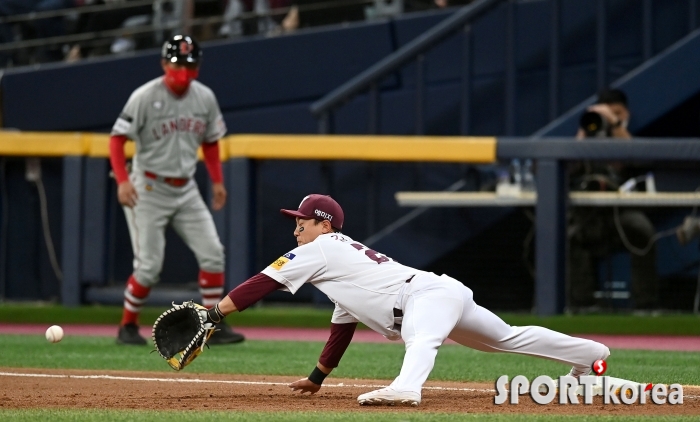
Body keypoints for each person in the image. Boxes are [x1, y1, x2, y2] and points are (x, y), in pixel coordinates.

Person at [200, 194, 610, 406]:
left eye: (301, 223)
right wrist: (317, 377)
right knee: (507, 337)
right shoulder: (341, 265)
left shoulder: (319, 249)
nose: (296, 231)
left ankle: (405, 388)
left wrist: (215, 312)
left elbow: (262, 282)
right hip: (438, 292)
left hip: (424, 297)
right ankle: (590, 354)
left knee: (422, 338)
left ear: (322, 225)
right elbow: (342, 325)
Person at [109, 34, 245, 346]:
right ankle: (127, 326)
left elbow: (210, 142)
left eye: (189, 63)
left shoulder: (204, 97)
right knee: (148, 267)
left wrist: (217, 181)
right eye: (176, 63)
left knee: (213, 254)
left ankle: (212, 325)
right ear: (163, 63)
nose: (182, 69)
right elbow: (117, 139)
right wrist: (122, 180)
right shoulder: (144, 96)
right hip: (148, 186)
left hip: (185, 188)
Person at [569, 89, 658, 311]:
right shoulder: (589, 135)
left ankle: (645, 306)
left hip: (623, 211)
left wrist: (614, 123)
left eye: (616, 112)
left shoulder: (626, 135)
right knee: (568, 237)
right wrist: (585, 128)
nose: (609, 118)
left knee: (643, 232)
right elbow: (571, 166)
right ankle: (583, 305)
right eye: (606, 114)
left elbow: (635, 158)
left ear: (625, 113)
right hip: (590, 213)